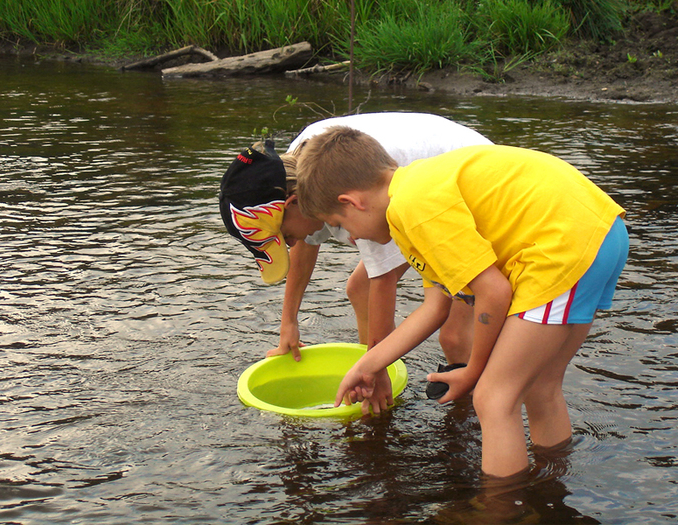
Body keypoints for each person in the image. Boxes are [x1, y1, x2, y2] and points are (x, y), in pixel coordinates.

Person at [295, 126, 628, 478]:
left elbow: (494, 293)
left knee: (493, 399)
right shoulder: (417, 197)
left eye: (339, 224)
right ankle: (552, 488)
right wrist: (369, 365)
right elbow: (435, 308)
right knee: (539, 386)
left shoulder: (414, 207)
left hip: (564, 245)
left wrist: (473, 370)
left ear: (352, 202)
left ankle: (500, 512)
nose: (351, 237)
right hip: (598, 232)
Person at [219, 113, 492, 414]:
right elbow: (307, 246)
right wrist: (289, 323)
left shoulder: (352, 192)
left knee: (453, 336)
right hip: (432, 192)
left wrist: (377, 369)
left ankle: (471, 405)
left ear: (293, 203)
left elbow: (383, 281)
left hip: (471, 192)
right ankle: (377, 373)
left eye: (284, 235)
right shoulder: (293, 171)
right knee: (358, 289)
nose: (292, 244)